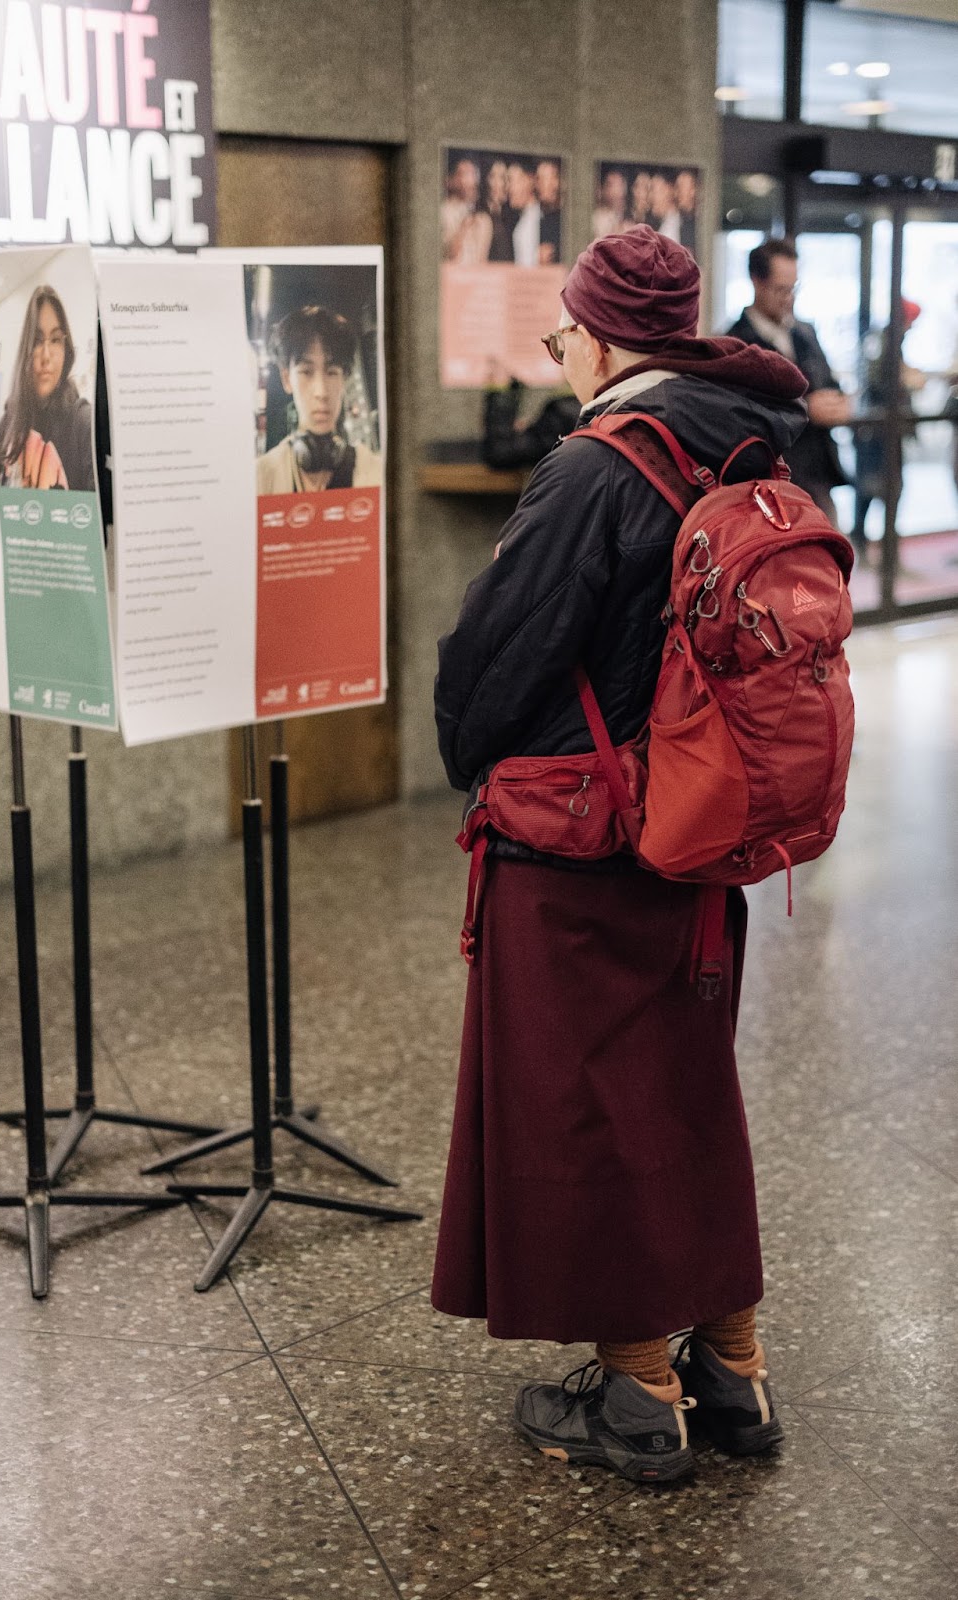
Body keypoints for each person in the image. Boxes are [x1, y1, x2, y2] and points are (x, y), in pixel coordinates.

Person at [432, 227, 807, 1484]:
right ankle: (735, 1373)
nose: (564, 359)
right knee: (689, 1094)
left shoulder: (597, 466)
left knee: (589, 1109)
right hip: (708, 825)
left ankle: (641, 1391)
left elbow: (492, 664)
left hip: (584, 840)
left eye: (564, 338)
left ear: (598, 337)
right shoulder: (751, 440)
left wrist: (467, 753)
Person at [727, 237, 850, 523]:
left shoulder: (805, 333)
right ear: (757, 282)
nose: (789, 298)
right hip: (770, 484)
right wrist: (807, 409)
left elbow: (828, 382)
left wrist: (837, 403)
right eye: (781, 290)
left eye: (793, 289)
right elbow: (742, 415)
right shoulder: (735, 344)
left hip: (818, 476)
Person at [256, 305, 382, 495]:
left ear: (344, 380)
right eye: (306, 372)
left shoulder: (375, 473)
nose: (321, 392)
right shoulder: (262, 477)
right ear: (287, 379)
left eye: (332, 372)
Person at [0, 285, 95, 492]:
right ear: (26, 350)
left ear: (66, 350)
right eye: (37, 341)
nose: (46, 355)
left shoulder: (83, 423)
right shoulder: (8, 423)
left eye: (56, 340)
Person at [851, 298, 926, 560]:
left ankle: (883, 553)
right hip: (876, 431)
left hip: (882, 430)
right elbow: (878, 382)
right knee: (872, 490)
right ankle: (867, 549)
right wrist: (905, 383)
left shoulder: (888, 342)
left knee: (886, 490)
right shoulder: (882, 343)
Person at [441, 158, 493, 265]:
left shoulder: (482, 217)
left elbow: (482, 258)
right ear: (451, 180)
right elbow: (448, 253)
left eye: (473, 174)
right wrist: (463, 229)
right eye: (464, 174)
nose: (470, 180)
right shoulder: (443, 212)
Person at [507, 160, 542, 267]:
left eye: (511, 181)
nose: (508, 188)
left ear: (529, 180)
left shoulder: (540, 219)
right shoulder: (521, 220)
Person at [536, 159, 562, 265]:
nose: (539, 185)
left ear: (557, 182)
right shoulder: (538, 216)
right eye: (538, 179)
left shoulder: (566, 219)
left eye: (545, 179)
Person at [592, 167, 630, 240]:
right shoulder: (597, 218)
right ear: (601, 190)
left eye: (620, 185)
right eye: (611, 186)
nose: (617, 191)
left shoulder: (627, 215)